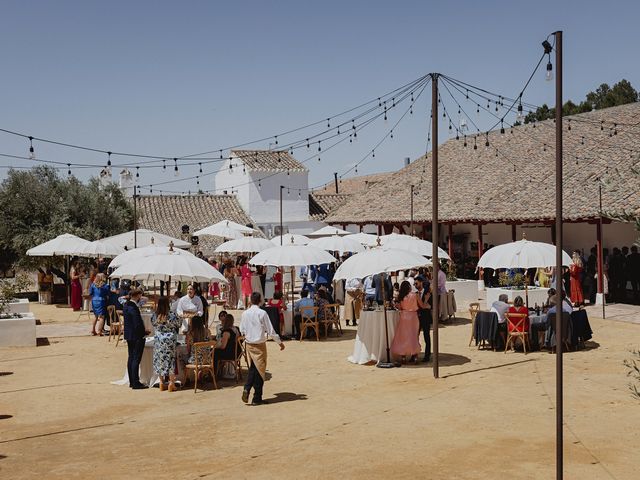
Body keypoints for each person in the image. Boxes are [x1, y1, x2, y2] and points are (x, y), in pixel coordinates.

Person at [240, 292, 285, 405]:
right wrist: (279, 342)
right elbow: (270, 330)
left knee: (254, 368)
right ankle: (256, 397)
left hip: (249, 344)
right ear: (260, 300)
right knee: (260, 370)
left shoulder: (245, 313)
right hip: (259, 345)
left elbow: (242, 329)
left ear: (250, 300)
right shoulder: (262, 313)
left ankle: (248, 389)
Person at [151, 297, 182, 392]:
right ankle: (171, 383)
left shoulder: (155, 315)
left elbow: (153, 324)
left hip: (159, 340)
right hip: (170, 340)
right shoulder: (172, 315)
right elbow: (179, 324)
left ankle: (161, 382)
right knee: (171, 361)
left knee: (159, 360)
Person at [390, 281, 425, 364]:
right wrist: (426, 301)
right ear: (409, 287)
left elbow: (400, 307)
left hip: (404, 316)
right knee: (414, 336)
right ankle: (415, 356)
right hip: (413, 317)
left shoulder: (401, 296)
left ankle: (403, 357)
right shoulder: (415, 295)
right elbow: (422, 305)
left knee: (403, 337)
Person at [123, 288, 150, 389]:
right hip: (136, 336)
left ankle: (132, 381)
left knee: (131, 358)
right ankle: (135, 382)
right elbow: (137, 323)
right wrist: (144, 332)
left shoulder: (127, 305)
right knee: (135, 359)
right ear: (138, 295)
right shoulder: (133, 307)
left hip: (129, 335)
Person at [414, 275, 433, 363]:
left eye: (416, 283)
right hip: (418, 318)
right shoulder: (416, 294)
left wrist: (425, 305)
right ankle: (414, 354)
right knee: (415, 337)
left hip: (425, 318)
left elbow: (430, 306)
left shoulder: (428, 293)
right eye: (414, 284)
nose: (415, 285)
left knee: (426, 336)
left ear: (421, 282)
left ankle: (427, 355)